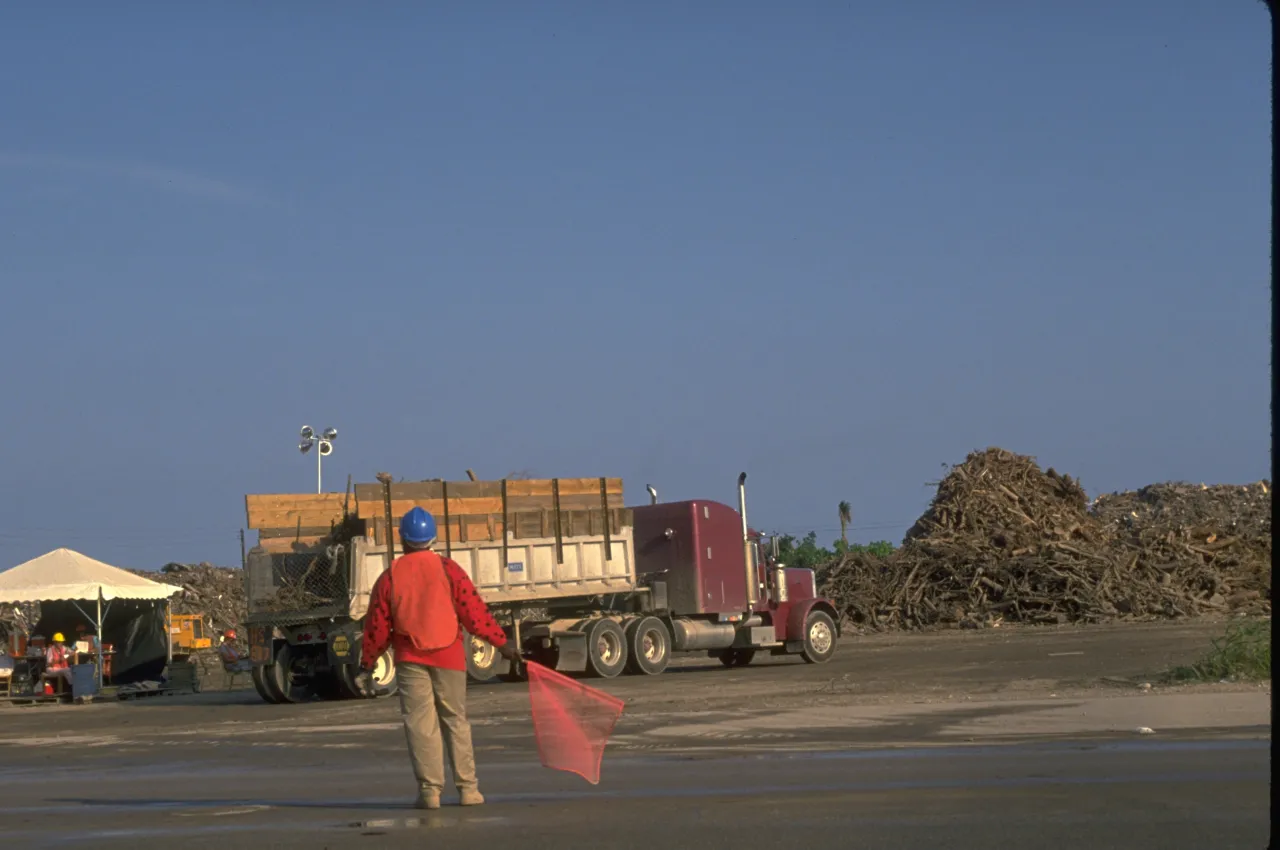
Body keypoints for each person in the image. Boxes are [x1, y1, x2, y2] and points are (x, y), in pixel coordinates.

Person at [359, 506, 519, 810]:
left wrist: (368, 661)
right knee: (455, 720)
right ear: (433, 537)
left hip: (410, 658)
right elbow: (475, 614)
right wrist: (501, 643)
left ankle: (430, 792)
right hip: (449, 656)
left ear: (402, 539)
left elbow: (377, 626)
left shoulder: (390, 576)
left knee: (420, 725)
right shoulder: (449, 569)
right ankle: (468, 789)